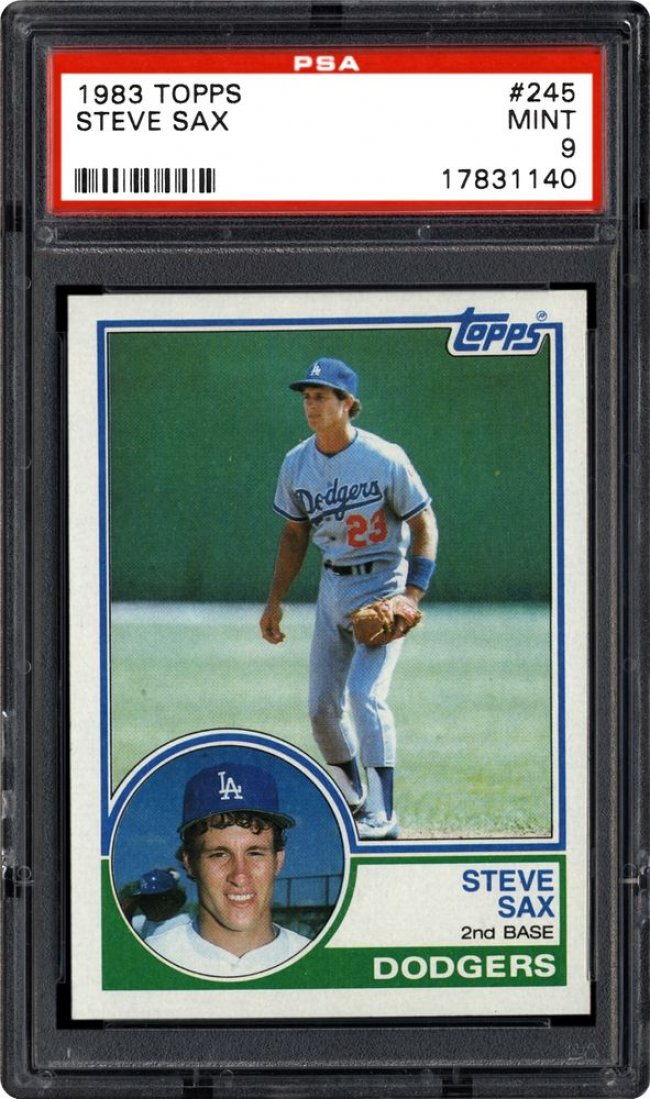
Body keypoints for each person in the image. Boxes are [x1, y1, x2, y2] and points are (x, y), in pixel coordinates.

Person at [260, 357, 438, 840]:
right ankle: (354, 800)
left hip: (383, 584)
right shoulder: (297, 463)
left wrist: (411, 596)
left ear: (348, 403)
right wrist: (275, 601)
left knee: (364, 695)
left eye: (321, 396)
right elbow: (294, 535)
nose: (311, 405)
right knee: (321, 708)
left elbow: (424, 524)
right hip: (332, 586)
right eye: (307, 397)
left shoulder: (384, 457)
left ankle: (384, 813)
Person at [151, 762, 310, 976]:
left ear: (278, 860)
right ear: (190, 863)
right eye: (219, 854)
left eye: (255, 853)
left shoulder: (318, 962)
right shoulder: (148, 959)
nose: (240, 876)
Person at [129, 868, 189, 940]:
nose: (145, 905)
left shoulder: (183, 926)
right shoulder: (147, 921)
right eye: (142, 900)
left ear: (171, 900)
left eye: (151, 899)